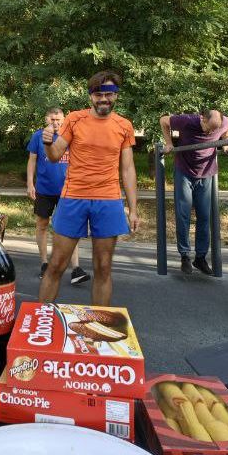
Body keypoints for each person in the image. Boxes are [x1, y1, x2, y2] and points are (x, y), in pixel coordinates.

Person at [38, 71, 139, 306]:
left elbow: (128, 169)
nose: (104, 99)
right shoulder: (74, 119)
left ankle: (98, 327)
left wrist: (133, 209)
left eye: (109, 94)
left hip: (109, 200)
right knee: (56, 264)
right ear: (91, 96)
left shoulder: (124, 125)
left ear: (116, 96)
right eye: (98, 94)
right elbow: (54, 156)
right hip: (73, 197)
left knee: (103, 267)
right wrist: (46, 142)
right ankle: (41, 322)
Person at [159, 108, 228, 276]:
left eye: (215, 129)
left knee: (204, 216)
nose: (210, 132)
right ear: (202, 119)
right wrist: (169, 143)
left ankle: (200, 258)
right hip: (184, 170)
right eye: (208, 128)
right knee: (183, 214)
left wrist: (225, 141)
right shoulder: (187, 120)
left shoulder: (224, 123)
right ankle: (185, 255)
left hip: (206, 172)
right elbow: (164, 120)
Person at [26, 106, 90, 285]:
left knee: (71, 227)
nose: (55, 122)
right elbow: (32, 160)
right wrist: (30, 183)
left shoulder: (69, 135)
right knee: (42, 224)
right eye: (52, 119)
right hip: (44, 189)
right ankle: (44, 264)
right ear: (47, 119)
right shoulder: (38, 136)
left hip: (68, 189)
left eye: (58, 119)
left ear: (63, 120)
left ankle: (76, 268)